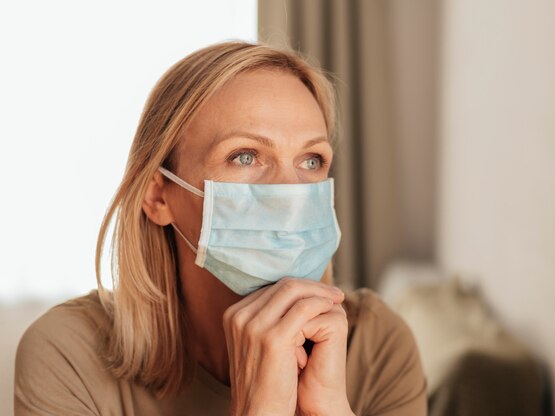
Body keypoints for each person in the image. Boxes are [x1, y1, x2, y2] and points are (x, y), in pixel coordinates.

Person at [14, 41, 428, 415]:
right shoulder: (67, 353)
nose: (290, 192)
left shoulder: (377, 346)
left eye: (311, 160)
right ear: (158, 196)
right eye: (245, 156)